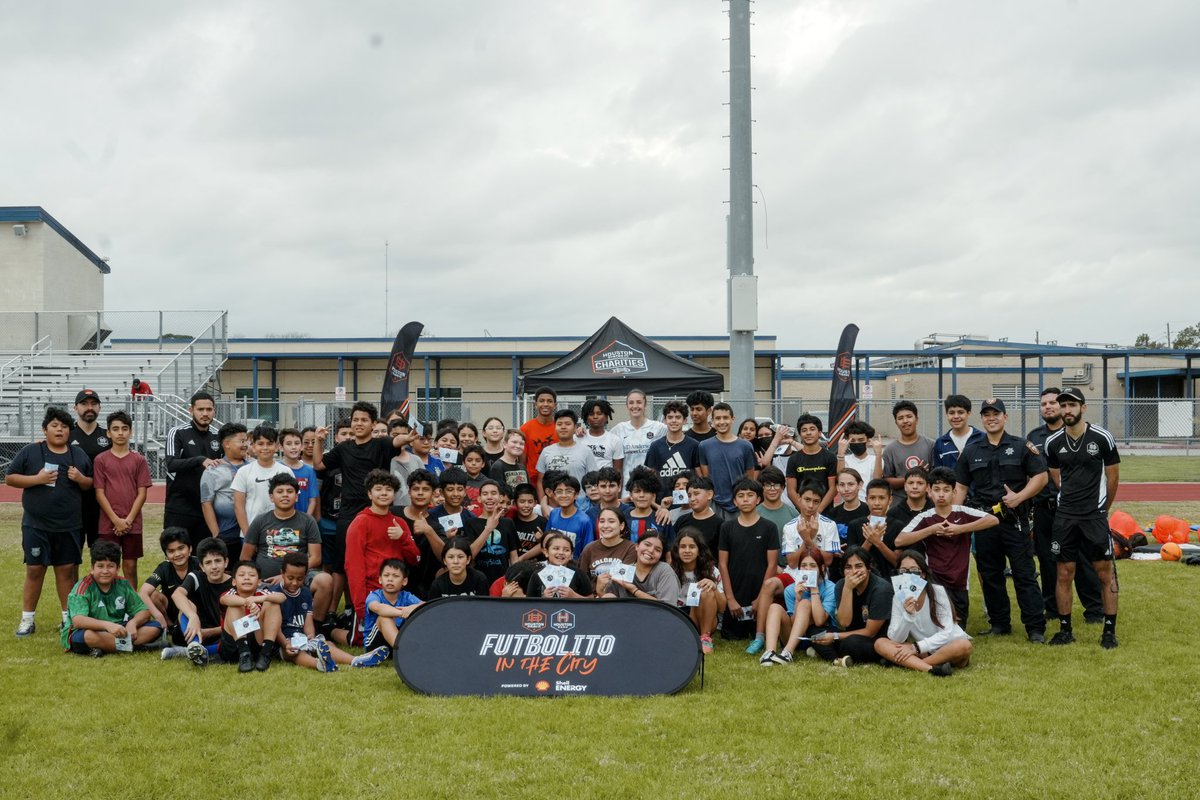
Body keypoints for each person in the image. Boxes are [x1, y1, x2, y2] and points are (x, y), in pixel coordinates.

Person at [953, 398, 1047, 642]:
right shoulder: (971, 450)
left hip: (1014, 521)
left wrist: (1020, 497)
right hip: (984, 521)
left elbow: (1041, 476)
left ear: (1005, 417)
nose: (991, 418)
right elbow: (961, 486)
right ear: (982, 419)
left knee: (1024, 574)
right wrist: (955, 517)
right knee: (990, 574)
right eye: (986, 414)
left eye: (996, 413)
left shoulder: (1021, 446)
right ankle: (999, 623)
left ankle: (1035, 628)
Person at [312, 401, 416, 619]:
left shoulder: (381, 444)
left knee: (374, 561)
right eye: (355, 419)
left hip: (378, 510)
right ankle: (338, 610)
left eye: (364, 420)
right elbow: (319, 465)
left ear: (373, 423)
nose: (358, 423)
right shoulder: (343, 448)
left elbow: (397, 440)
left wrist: (408, 438)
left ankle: (375, 603)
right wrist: (319, 441)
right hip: (349, 514)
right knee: (342, 565)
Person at [1044, 388, 1122, 649]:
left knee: (1104, 572)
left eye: (1072, 405)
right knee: (1064, 573)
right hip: (1065, 517)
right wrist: (1070, 499)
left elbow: (1113, 478)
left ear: (1083, 408)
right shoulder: (1053, 443)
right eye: (1063, 405)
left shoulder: (1102, 438)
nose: (1067, 410)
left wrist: (1102, 508)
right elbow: (1057, 477)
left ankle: (1109, 631)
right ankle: (1065, 630)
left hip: (1094, 516)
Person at [9, 406, 93, 637]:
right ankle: (27, 619)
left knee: (66, 571)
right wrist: (37, 479)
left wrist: (80, 478)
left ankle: (68, 619)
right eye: (54, 426)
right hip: (36, 525)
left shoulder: (78, 455)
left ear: (69, 431)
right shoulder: (30, 451)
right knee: (35, 570)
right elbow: (10, 478)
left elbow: (90, 484)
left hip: (69, 525)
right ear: (45, 429)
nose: (59, 430)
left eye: (64, 426)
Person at [1027, 387, 1104, 624]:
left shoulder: (1075, 432)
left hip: (1072, 508)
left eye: (1053, 403)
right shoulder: (1034, 437)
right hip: (1043, 508)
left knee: (1082, 558)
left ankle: (1094, 609)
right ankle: (1053, 608)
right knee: (1049, 561)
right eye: (1044, 404)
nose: (1048, 407)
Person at [894, 466, 999, 624]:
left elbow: (993, 520)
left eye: (946, 490)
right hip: (934, 579)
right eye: (936, 489)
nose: (941, 494)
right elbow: (899, 540)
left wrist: (960, 529)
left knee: (958, 627)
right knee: (938, 625)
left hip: (960, 581)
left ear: (954, 492)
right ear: (929, 491)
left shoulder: (963, 512)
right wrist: (931, 530)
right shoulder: (925, 517)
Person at [344, 469, 420, 634]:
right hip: (372, 593)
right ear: (370, 494)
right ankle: (332, 632)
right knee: (358, 639)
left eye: (388, 489)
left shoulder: (399, 522)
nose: (384, 493)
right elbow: (353, 566)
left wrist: (403, 538)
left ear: (394, 494)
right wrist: (360, 605)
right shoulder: (360, 523)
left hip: (397, 592)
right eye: (378, 489)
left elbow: (416, 559)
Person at [875, 550, 973, 676]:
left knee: (964, 645)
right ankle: (931, 669)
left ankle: (912, 664)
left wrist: (915, 648)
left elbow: (947, 633)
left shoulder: (938, 592)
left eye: (914, 571)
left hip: (946, 647)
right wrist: (908, 616)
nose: (908, 576)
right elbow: (895, 638)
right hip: (923, 649)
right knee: (880, 643)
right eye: (903, 571)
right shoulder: (898, 598)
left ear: (923, 574)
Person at [61, 541, 159, 656]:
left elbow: (144, 611)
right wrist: (107, 625)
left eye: (110, 566)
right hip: (88, 631)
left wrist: (133, 623)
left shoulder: (123, 584)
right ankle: (137, 647)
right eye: (100, 566)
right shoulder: (83, 587)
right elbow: (78, 621)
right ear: (92, 567)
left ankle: (104, 647)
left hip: (118, 629)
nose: (105, 571)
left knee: (155, 627)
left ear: (118, 568)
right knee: (88, 636)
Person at [93, 410, 152, 586]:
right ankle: (108, 604)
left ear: (130, 432)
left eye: (124, 429)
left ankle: (131, 606)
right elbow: (99, 493)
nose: (120, 433)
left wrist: (127, 521)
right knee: (107, 566)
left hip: (132, 524)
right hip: (107, 523)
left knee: (130, 565)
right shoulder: (101, 460)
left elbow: (142, 493)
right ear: (108, 433)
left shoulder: (139, 460)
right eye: (116, 429)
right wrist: (115, 520)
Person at [717, 478, 780, 640]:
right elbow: (722, 564)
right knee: (732, 635)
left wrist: (761, 598)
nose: (745, 499)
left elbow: (772, 564)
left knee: (761, 631)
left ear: (758, 499)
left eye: (750, 495)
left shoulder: (769, 527)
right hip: (735, 591)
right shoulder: (727, 527)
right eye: (741, 495)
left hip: (759, 591)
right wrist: (730, 599)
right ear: (734, 501)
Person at [273, 552, 356, 673]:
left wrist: (311, 635)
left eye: (300, 579)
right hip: (283, 643)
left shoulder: (305, 592)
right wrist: (285, 644)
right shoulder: (274, 593)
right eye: (290, 578)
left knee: (327, 645)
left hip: (302, 640)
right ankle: (319, 664)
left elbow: (308, 619)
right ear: (282, 574)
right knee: (296, 654)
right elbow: (273, 627)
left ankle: (355, 660)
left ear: (305, 576)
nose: (295, 583)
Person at [811, 546, 893, 667]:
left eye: (859, 566)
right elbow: (844, 623)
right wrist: (847, 589)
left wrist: (834, 637)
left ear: (868, 568)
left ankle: (834, 655)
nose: (853, 571)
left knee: (851, 643)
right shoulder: (841, 585)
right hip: (850, 634)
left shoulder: (881, 589)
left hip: (876, 639)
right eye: (848, 567)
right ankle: (838, 660)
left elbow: (870, 632)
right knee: (816, 633)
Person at [760, 545, 836, 665]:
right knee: (775, 607)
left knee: (805, 604)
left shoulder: (831, 588)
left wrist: (814, 589)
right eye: (804, 566)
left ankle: (788, 652)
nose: (808, 570)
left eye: (813, 566)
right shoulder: (791, 590)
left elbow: (820, 621)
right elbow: (793, 622)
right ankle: (770, 652)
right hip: (794, 637)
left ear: (821, 567)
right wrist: (797, 599)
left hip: (818, 636)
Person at [161, 537, 231, 666]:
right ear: (202, 566)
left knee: (237, 636)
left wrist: (210, 632)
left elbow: (238, 623)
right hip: (193, 632)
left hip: (222, 634)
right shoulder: (197, 577)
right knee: (187, 605)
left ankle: (186, 652)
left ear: (226, 562)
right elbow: (177, 594)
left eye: (218, 561)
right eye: (208, 562)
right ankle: (195, 646)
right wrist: (193, 617)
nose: (214, 567)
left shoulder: (235, 584)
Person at [164, 391, 221, 547]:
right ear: (191, 410)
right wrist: (200, 460)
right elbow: (171, 464)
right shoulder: (177, 433)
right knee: (177, 555)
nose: (205, 413)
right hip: (180, 507)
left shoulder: (218, 436)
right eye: (200, 409)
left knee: (204, 558)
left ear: (214, 411)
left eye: (209, 410)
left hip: (208, 509)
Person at [218, 560, 284, 672]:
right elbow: (224, 599)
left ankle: (265, 653)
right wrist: (248, 603)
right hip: (234, 646)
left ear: (259, 582)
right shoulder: (231, 593)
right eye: (241, 575)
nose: (247, 578)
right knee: (234, 605)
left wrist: (259, 599)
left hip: (256, 643)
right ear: (234, 582)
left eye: (252, 575)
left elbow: (282, 597)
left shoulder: (261, 593)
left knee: (272, 602)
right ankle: (244, 653)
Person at [354, 559, 423, 667]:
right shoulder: (375, 595)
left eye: (395, 576)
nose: (390, 579)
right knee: (384, 618)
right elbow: (377, 608)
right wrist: (403, 612)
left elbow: (425, 606)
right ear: (380, 579)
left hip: (396, 642)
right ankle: (405, 653)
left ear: (404, 581)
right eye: (386, 575)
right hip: (375, 645)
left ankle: (404, 650)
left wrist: (412, 608)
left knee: (420, 615)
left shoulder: (406, 596)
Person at [669, 529, 726, 653]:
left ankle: (705, 638)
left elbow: (722, 608)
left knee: (706, 591)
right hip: (678, 616)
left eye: (692, 547)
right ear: (677, 550)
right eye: (683, 547)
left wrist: (714, 587)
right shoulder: (669, 570)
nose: (687, 551)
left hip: (704, 616)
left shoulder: (711, 570)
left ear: (699, 550)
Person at [698, 402, 759, 517]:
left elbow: (749, 479)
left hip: (739, 504)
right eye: (718, 418)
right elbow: (706, 479)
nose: (722, 422)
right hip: (714, 504)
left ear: (733, 419)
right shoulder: (704, 446)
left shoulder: (745, 446)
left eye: (725, 418)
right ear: (712, 421)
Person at [232, 426, 294, 537]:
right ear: (253, 446)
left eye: (269, 444)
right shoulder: (244, 472)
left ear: (277, 446)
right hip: (251, 532)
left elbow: (292, 501)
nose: (265, 448)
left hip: (280, 533)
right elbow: (238, 506)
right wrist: (248, 535)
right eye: (260, 444)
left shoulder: (286, 471)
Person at [200, 422, 248, 560]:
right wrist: (216, 534)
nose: (245, 444)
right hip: (227, 533)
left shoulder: (252, 466)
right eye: (241, 441)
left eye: (246, 441)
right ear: (227, 444)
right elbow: (206, 503)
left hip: (251, 531)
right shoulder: (213, 470)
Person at [139, 528, 199, 638]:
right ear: (166, 555)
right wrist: (158, 616)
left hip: (196, 608)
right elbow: (142, 593)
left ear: (190, 548)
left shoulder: (199, 564)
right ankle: (170, 625)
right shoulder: (164, 568)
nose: (177, 554)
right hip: (171, 608)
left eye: (181, 548)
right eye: (171, 551)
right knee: (152, 594)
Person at [69, 388, 109, 549]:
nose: (89, 407)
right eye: (84, 404)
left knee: (102, 557)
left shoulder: (108, 436)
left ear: (99, 407)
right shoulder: (66, 434)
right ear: (75, 408)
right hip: (73, 506)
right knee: (71, 560)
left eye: (94, 403)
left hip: (101, 507)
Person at [462, 479, 519, 583]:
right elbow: (469, 556)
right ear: (479, 499)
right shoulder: (471, 523)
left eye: (493, 493)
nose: (489, 497)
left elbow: (514, 557)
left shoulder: (508, 523)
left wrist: (514, 580)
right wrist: (488, 529)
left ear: (500, 497)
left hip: (503, 580)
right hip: (478, 580)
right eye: (485, 494)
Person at [643, 400, 701, 501]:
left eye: (678, 417)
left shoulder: (694, 445)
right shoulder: (655, 446)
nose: (674, 421)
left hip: (687, 502)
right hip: (662, 502)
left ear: (685, 420)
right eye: (670, 417)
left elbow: (699, 477)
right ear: (665, 420)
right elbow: (649, 479)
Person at [598, 533, 680, 604]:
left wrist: (635, 591)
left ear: (661, 555)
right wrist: (600, 590)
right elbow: (609, 601)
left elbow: (669, 607)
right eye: (647, 545)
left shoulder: (664, 570)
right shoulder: (623, 570)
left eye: (657, 550)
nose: (651, 550)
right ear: (637, 546)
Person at [843, 479, 900, 578]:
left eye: (882, 498)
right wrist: (869, 541)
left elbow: (897, 562)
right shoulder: (855, 525)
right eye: (872, 498)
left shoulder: (897, 526)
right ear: (866, 499)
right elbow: (851, 561)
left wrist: (878, 542)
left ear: (890, 500)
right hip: (861, 579)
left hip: (890, 580)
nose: (877, 503)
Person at [536, 409, 599, 497]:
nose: (563, 427)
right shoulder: (546, 451)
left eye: (568, 424)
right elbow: (540, 481)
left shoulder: (586, 451)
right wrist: (543, 502)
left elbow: (593, 480)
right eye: (559, 424)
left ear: (575, 427)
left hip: (579, 504)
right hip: (553, 506)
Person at [316, 418, 352, 570]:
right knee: (328, 563)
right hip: (328, 519)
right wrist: (319, 518)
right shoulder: (328, 459)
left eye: (352, 433)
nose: (348, 437)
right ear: (336, 437)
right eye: (344, 433)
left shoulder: (362, 459)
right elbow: (316, 490)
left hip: (352, 519)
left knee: (350, 564)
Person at [784, 414, 838, 513]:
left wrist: (819, 510)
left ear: (819, 433)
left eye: (812, 429)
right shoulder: (793, 459)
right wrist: (804, 510)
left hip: (826, 512)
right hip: (802, 513)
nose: (808, 433)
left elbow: (833, 488)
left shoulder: (830, 457)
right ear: (800, 434)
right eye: (804, 430)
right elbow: (791, 491)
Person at [611, 389, 667, 485]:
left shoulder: (659, 428)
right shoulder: (618, 429)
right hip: (627, 488)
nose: (635, 406)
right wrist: (582, 432)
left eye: (639, 402)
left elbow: (678, 436)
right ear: (627, 406)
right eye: (631, 403)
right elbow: (602, 438)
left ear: (645, 405)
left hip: (650, 486)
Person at [882, 400, 934, 491]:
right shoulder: (890, 450)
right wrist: (913, 477)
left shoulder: (931, 445)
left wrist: (923, 476)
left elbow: (937, 476)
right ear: (896, 422)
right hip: (900, 500)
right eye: (900, 418)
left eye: (909, 416)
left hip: (927, 501)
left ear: (916, 419)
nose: (905, 421)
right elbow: (886, 481)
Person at [524, 532, 594, 598]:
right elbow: (528, 603)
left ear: (571, 555)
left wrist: (573, 596)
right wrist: (543, 597)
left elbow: (591, 601)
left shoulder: (579, 574)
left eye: (566, 550)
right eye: (556, 548)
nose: (561, 552)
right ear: (546, 552)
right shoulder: (537, 575)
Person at [579, 508, 638, 581]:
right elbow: (581, 581)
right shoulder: (589, 549)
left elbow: (624, 582)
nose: (605, 525)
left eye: (611, 521)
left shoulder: (631, 548)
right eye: (602, 521)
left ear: (621, 526)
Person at [545, 473, 594, 558]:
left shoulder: (584, 521)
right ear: (554, 495)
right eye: (559, 492)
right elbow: (547, 540)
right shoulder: (553, 514)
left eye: (568, 491)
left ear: (576, 495)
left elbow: (588, 551)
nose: (564, 495)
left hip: (574, 567)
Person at [931, 394, 983, 472]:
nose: (956, 416)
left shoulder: (982, 438)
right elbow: (939, 475)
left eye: (960, 412)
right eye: (951, 413)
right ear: (946, 414)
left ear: (968, 413)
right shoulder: (940, 443)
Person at [673, 475, 723, 556]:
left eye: (696, 494)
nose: (692, 499)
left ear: (709, 494)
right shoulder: (681, 520)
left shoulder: (720, 525)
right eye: (689, 495)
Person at [427, 537, 492, 598]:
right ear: (444, 560)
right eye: (451, 557)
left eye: (460, 557)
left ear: (468, 559)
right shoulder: (437, 585)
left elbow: (484, 607)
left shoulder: (480, 580)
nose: (455, 561)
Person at [520, 386, 558, 488]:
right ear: (536, 404)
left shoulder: (561, 428)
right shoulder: (525, 429)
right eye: (541, 401)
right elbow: (522, 461)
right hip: (533, 481)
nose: (545, 404)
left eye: (549, 401)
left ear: (555, 405)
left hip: (557, 480)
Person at [836, 420, 883, 499]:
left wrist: (878, 455)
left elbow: (877, 480)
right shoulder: (845, 459)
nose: (857, 443)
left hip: (869, 502)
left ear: (867, 441)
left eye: (861, 440)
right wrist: (841, 453)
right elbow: (840, 477)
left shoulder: (875, 460)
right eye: (853, 440)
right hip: (848, 502)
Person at [279, 428, 319, 518]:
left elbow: (312, 500)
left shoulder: (309, 470)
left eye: (297, 443)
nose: (293, 447)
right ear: (281, 447)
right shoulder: (276, 468)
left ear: (301, 447)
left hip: (303, 519)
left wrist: (306, 520)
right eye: (289, 444)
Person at [580, 399, 624, 473]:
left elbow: (618, 471)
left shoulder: (615, 440)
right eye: (591, 414)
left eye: (599, 413)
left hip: (606, 483)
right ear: (586, 418)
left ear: (606, 417)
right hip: (584, 483)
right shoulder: (578, 438)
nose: (595, 417)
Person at [755, 466, 797, 537]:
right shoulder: (754, 513)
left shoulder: (793, 514)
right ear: (762, 488)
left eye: (776, 485)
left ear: (782, 487)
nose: (772, 489)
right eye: (768, 485)